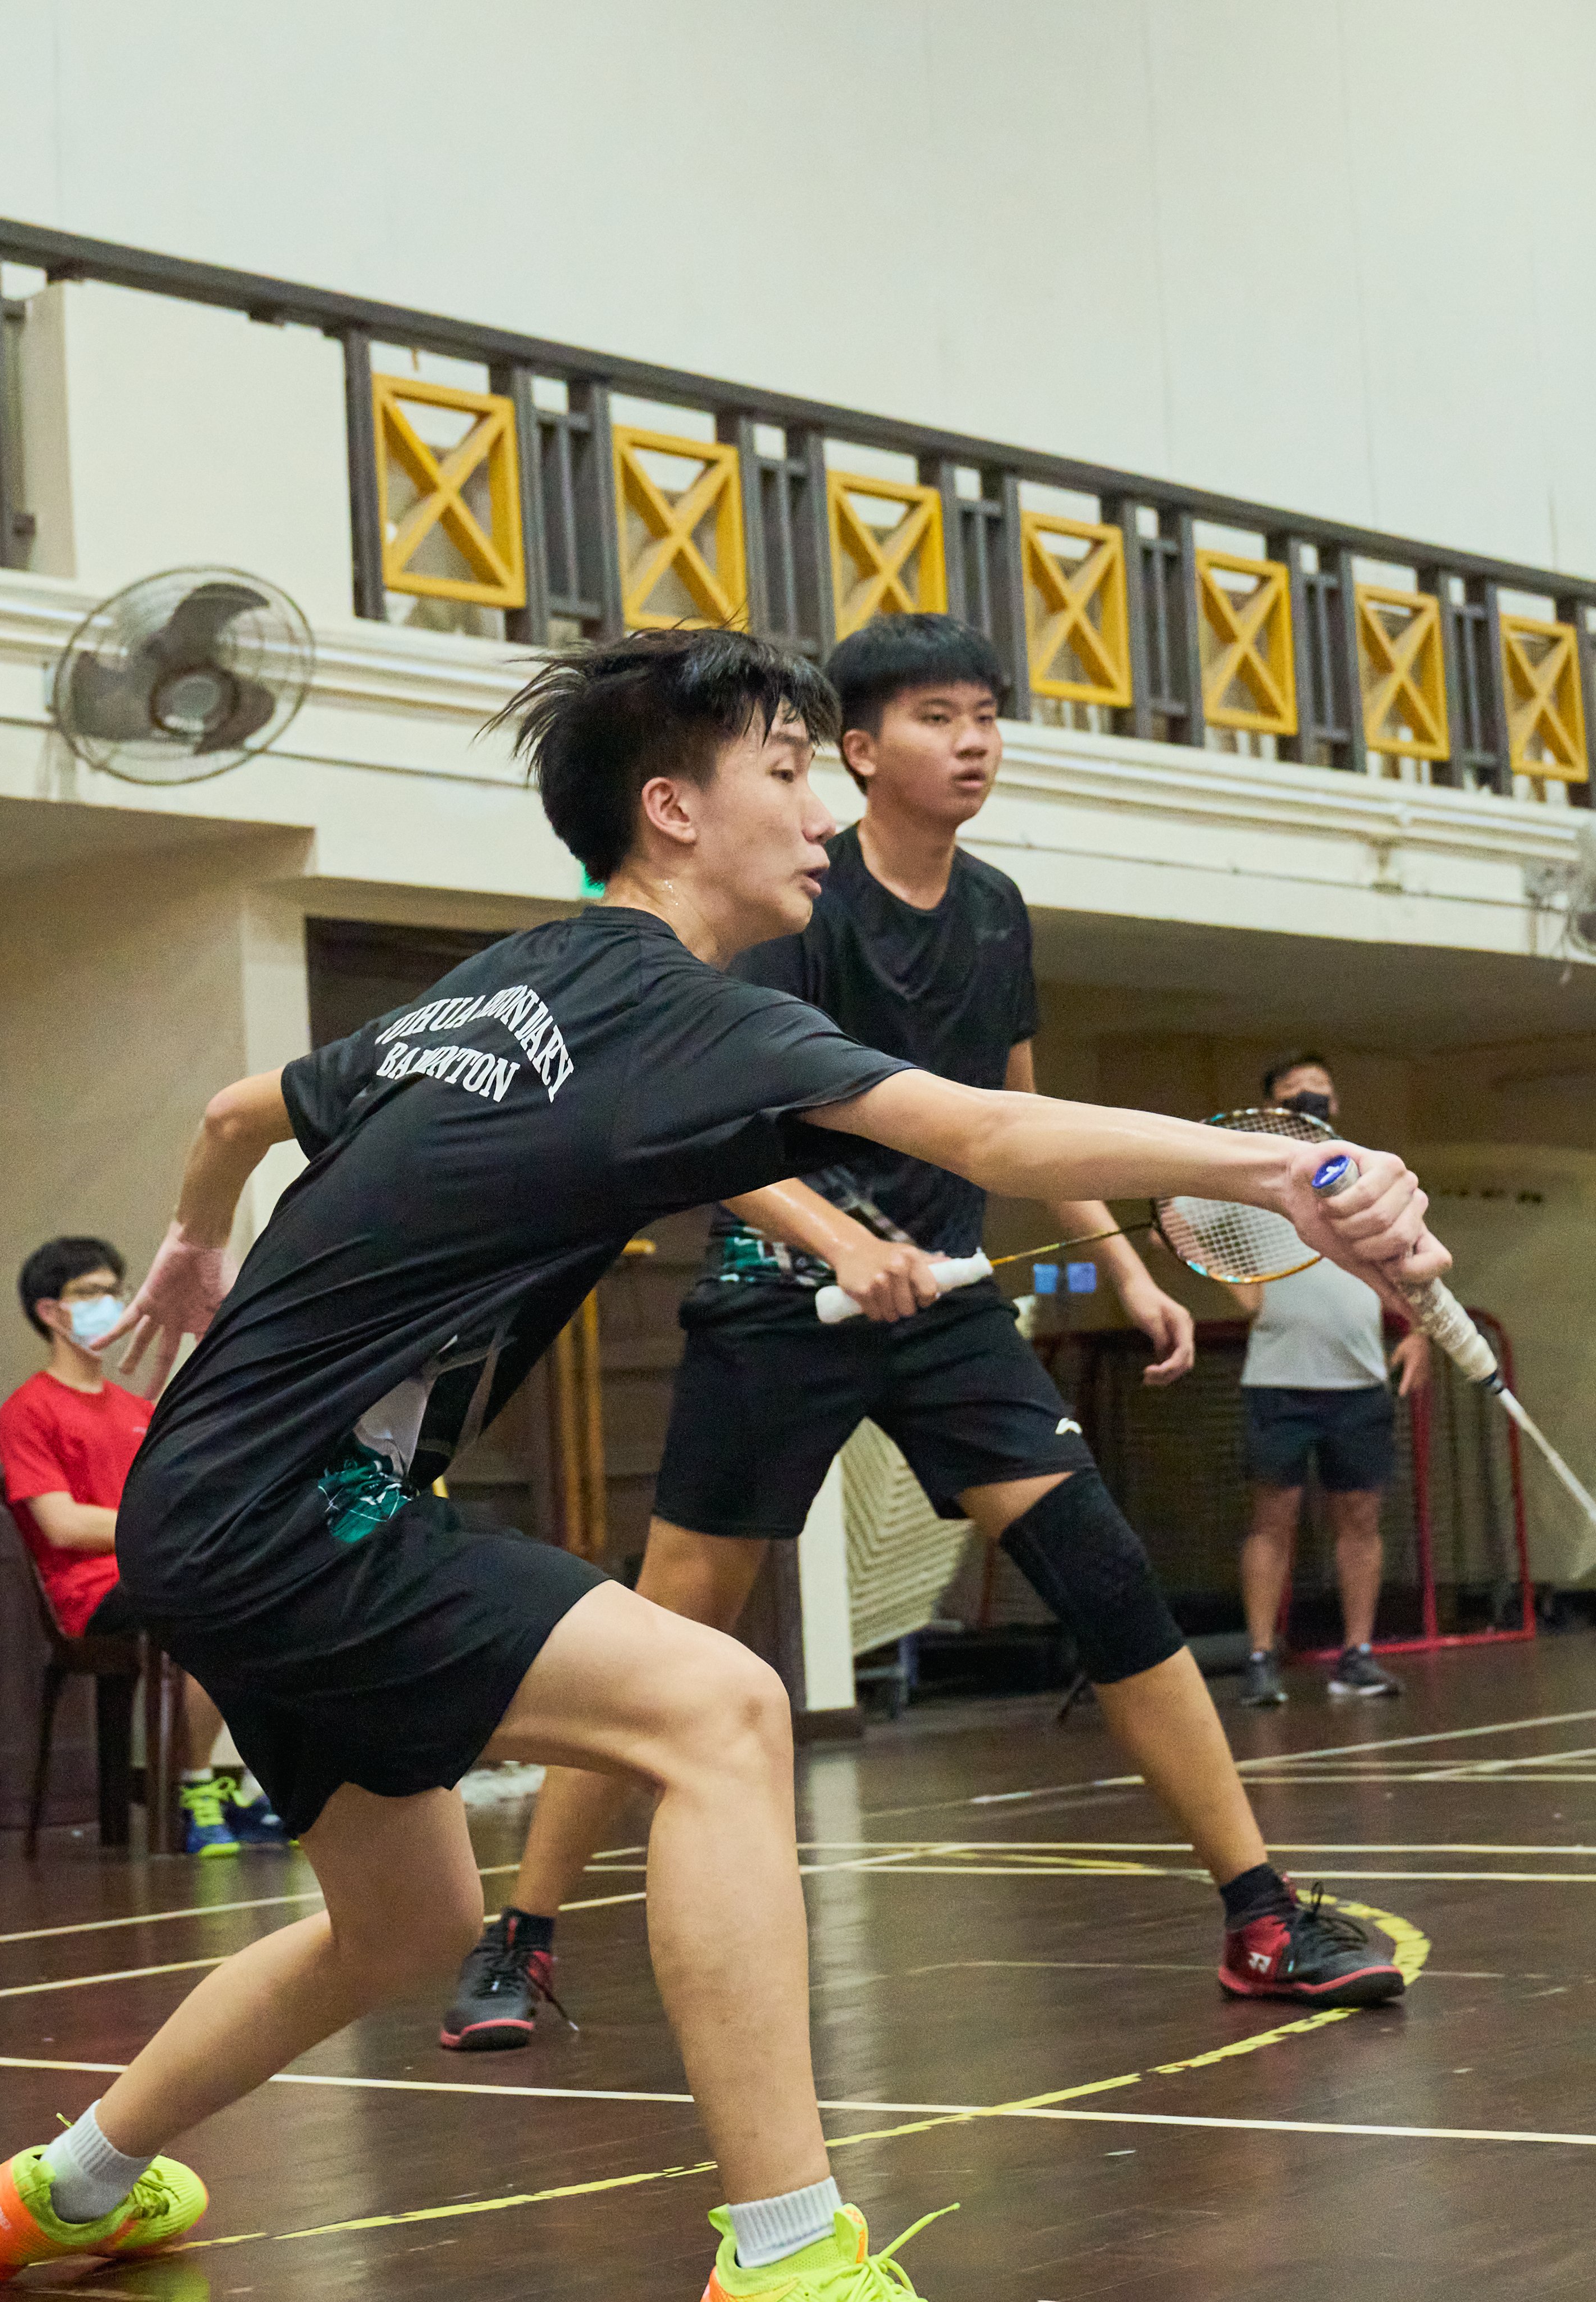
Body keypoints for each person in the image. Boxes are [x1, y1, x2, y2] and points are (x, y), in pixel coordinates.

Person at [0, 626, 1453, 2302]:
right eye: (787, 772)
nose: (822, 809)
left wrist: (194, 1240)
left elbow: (236, 1110)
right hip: (290, 1515)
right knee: (719, 1708)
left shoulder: (498, 989)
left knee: (399, 1916)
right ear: (671, 810)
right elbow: (975, 1120)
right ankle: (787, 2277)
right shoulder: (683, 1010)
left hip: (218, 1497)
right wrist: (1289, 1162)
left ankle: (67, 2183)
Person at [435, 613, 1411, 2061]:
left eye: (988, 714)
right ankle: (516, 1934)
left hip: (948, 1303)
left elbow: (1012, 1112)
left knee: (1107, 1578)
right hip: (782, 1299)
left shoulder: (996, 909)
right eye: (938, 716)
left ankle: (1261, 1909)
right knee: (671, 1620)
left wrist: (1116, 1264)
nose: (974, 741)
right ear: (858, 750)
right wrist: (836, 1235)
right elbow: (707, 1132)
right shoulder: (795, 911)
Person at [0, 1236, 268, 1855]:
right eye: (90, 1293)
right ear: (50, 1312)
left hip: (163, 1569)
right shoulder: (27, 1411)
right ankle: (197, 1789)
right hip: (92, 1592)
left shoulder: (139, 1409)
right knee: (209, 1599)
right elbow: (62, 1525)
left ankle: (257, 1785)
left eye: (115, 1289)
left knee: (269, 1593)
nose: (110, 1303)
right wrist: (160, 1532)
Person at [1229, 1051, 1430, 1706]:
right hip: (1278, 1380)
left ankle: (1357, 1656)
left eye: (1323, 1091)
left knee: (1360, 1515)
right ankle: (1261, 1657)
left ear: (1337, 1106)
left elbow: (1411, 1260)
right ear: (1274, 1108)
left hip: (1360, 1381)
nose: (1313, 1099)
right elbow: (1192, 1237)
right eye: (1297, 1093)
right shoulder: (1255, 1184)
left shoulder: (1366, 1179)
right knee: (1273, 1518)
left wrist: (1420, 1335)